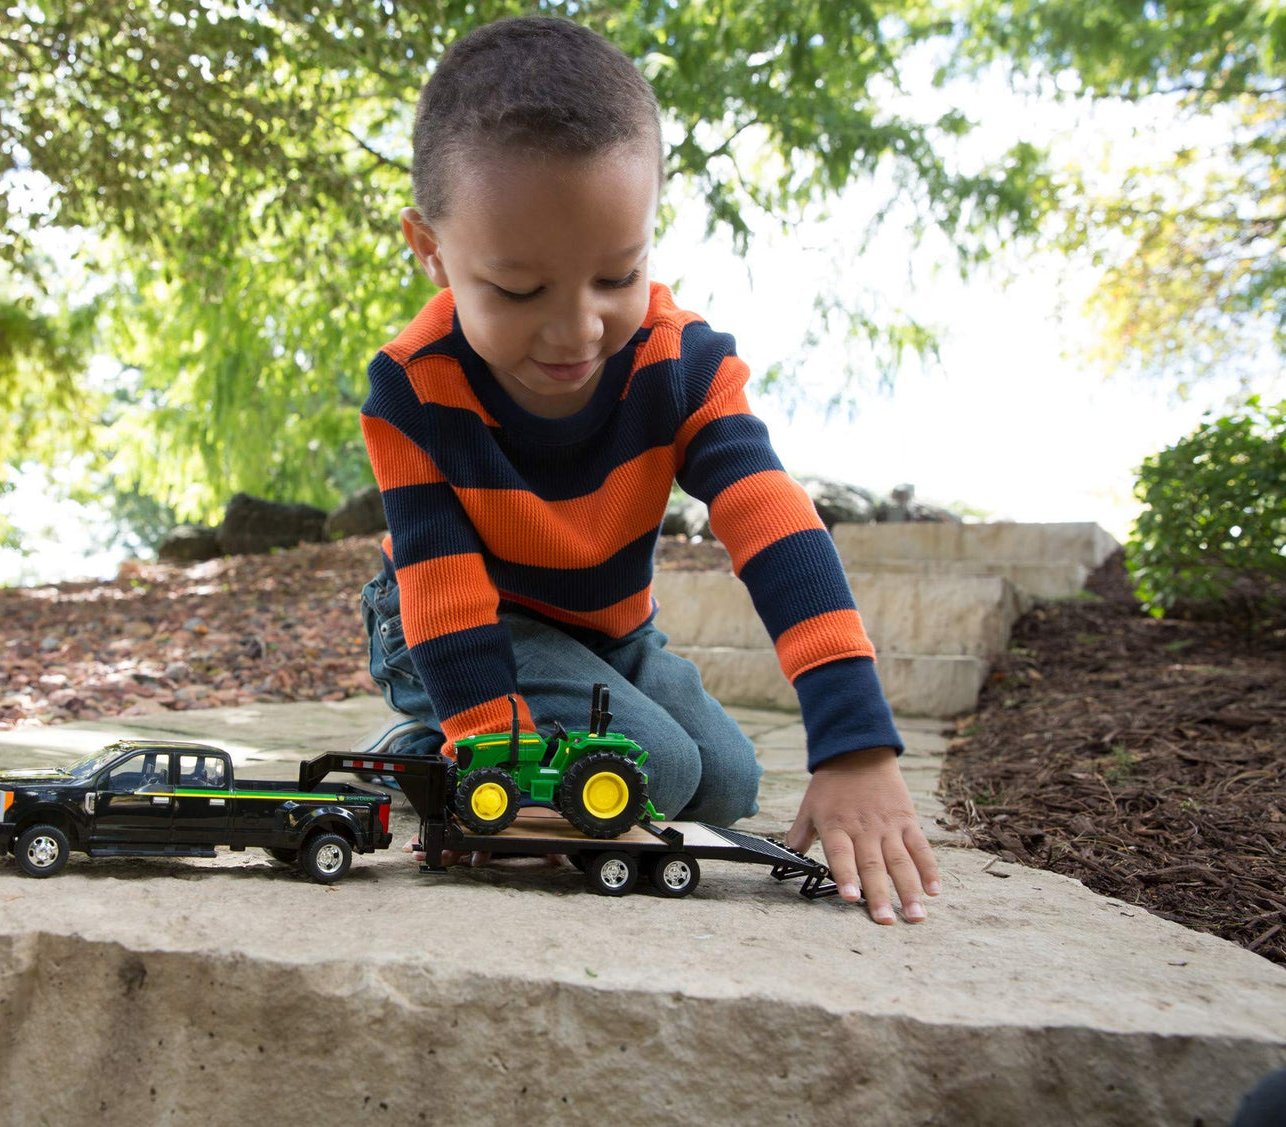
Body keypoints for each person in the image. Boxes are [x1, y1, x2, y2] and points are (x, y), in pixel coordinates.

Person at [358, 14, 940, 924]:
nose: (577, 328)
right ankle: (427, 747)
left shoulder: (683, 367)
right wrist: (497, 759)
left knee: (725, 781)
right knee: (654, 770)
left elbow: (775, 528)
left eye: (617, 275)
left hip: (604, 628)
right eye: (518, 290)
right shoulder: (412, 390)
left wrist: (854, 744)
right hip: (449, 621)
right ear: (431, 250)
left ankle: (477, 737)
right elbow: (443, 590)